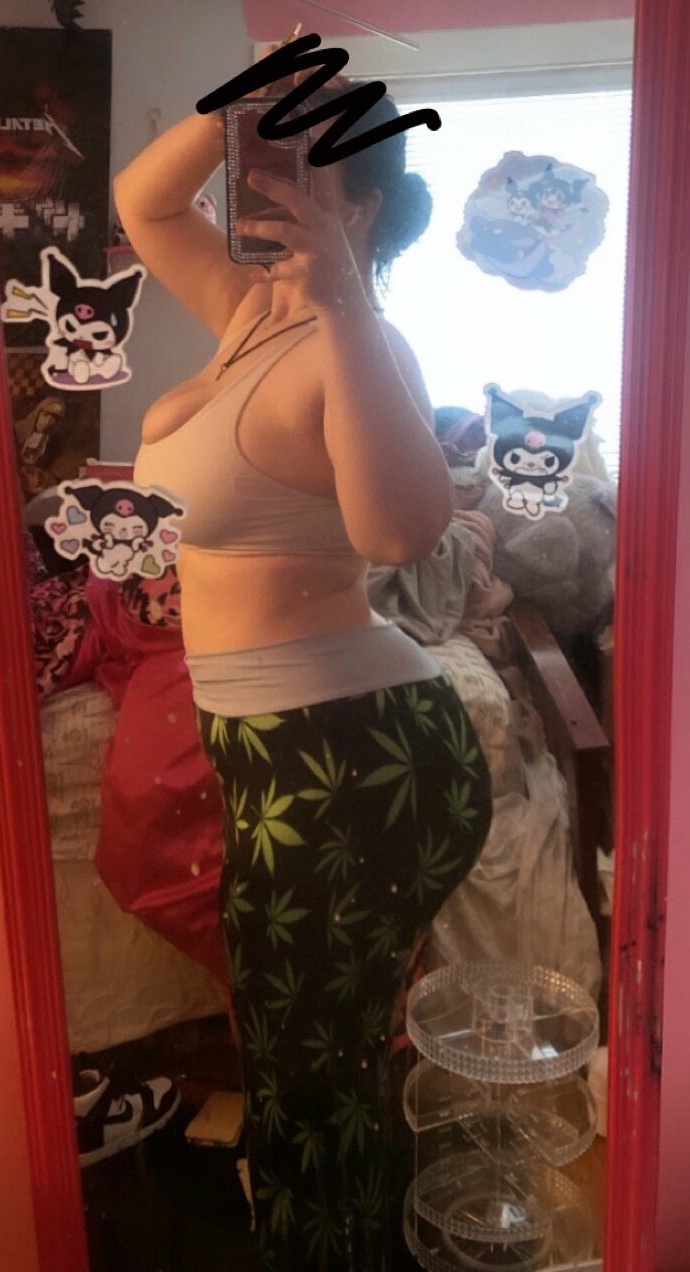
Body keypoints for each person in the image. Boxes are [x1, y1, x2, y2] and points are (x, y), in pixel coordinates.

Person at [113, 71, 493, 1271]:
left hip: (354, 756)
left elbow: (400, 532)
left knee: (308, 1067)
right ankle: (323, 1240)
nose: (262, 192)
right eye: (257, 165)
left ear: (361, 207)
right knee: (297, 1055)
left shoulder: (359, 344)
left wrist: (342, 303)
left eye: (299, 175)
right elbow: (142, 203)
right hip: (280, 748)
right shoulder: (242, 312)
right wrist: (243, 101)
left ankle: (328, 1249)